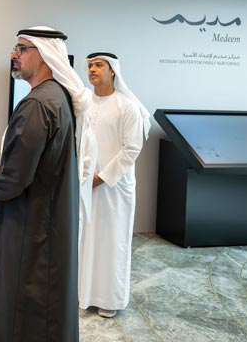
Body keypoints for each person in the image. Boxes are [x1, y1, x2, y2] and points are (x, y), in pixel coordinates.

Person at [0, 26, 95, 342]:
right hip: (45, 219)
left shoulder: (38, 104)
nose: (14, 55)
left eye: (22, 48)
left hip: (30, 222)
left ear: (45, 54)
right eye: (15, 48)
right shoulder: (56, 97)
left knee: (19, 303)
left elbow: (15, 175)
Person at [78, 52, 150, 318]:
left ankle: (110, 299)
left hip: (114, 187)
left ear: (113, 71)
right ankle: (84, 294)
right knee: (86, 239)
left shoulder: (126, 106)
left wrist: (102, 177)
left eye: (99, 65)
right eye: (90, 65)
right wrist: (85, 176)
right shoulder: (84, 104)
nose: (92, 69)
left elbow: (132, 149)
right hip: (86, 184)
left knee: (112, 241)